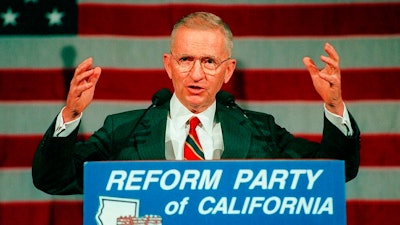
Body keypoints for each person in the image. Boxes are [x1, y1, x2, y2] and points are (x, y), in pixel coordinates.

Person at [32, 12, 360, 195]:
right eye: (186, 59)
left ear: (228, 70)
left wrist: (334, 107)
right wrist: (72, 114)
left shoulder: (260, 130)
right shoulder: (124, 129)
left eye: (209, 61)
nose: (196, 73)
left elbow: (333, 172)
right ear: (168, 65)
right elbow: (54, 179)